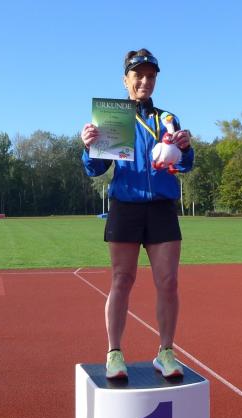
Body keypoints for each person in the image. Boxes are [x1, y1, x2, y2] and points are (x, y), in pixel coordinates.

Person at [80, 49, 194, 380]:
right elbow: (95, 169)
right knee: (122, 279)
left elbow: (183, 165)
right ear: (125, 80)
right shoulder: (114, 117)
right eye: (138, 75)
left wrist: (186, 148)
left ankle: (166, 351)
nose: (145, 81)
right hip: (126, 205)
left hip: (161, 207)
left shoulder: (167, 119)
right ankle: (114, 353)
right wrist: (89, 146)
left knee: (168, 282)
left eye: (151, 76)